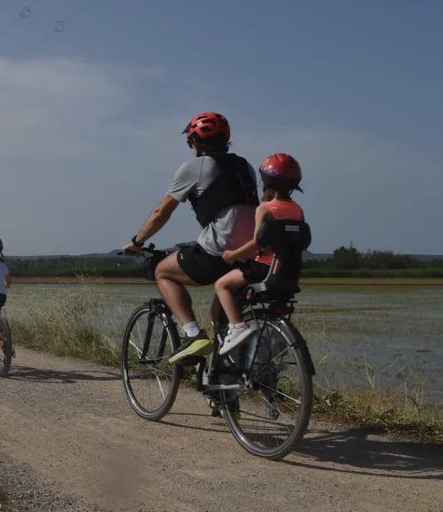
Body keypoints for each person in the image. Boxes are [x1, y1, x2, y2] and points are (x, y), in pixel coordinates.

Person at [121, 111, 259, 364]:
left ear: (194, 142)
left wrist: (138, 241)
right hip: (250, 252)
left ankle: (193, 335)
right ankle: (223, 381)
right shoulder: (245, 167)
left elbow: (161, 213)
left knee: (163, 271)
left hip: (219, 251)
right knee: (221, 321)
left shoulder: (195, 167)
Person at [215, 153, 306, 354]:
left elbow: (258, 243)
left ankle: (237, 328)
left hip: (262, 269)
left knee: (222, 285)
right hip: (287, 272)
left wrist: (232, 254)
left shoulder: (264, 208)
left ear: (265, 180)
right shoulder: (298, 210)